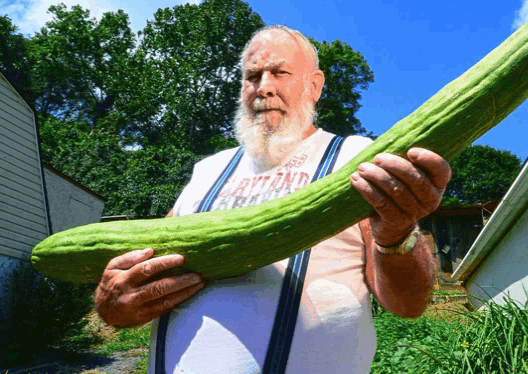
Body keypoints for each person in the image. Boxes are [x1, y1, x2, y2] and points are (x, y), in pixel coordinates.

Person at [94, 25, 451, 373]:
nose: (263, 88)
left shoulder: (355, 158)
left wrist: (398, 234)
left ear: (314, 85)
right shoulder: (207, 170)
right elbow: (142, 276)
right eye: (252, 77)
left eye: (280, 72)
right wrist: (114, 305)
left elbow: (408, 304)